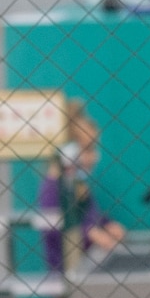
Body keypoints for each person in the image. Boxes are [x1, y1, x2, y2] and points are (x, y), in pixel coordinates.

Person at [37, 112, 125, 270]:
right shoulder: (52, 188)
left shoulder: (78, 184)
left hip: (88, 269)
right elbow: (53, 230)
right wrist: (89, 234)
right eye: (88, 149)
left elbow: (89, 216)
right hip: (66, 276)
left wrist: (107, 225)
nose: (94, 157)